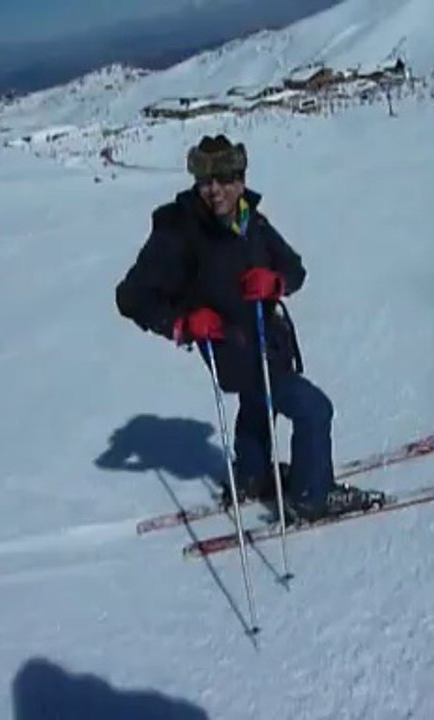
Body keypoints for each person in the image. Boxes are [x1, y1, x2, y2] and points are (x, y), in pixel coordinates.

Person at [115, 135, 376, 521]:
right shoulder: (180, 231)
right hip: (230, 345)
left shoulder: (251, 221)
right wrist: (181, 323)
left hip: (267, 338)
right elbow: (131, 297)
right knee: (313, 409)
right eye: (205, 181)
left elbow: (294, 268)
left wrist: (276, 282)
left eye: (224, 179)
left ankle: (251, 475)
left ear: (240, 180)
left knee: (257, 400)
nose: (215, 190)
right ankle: (312, 496)